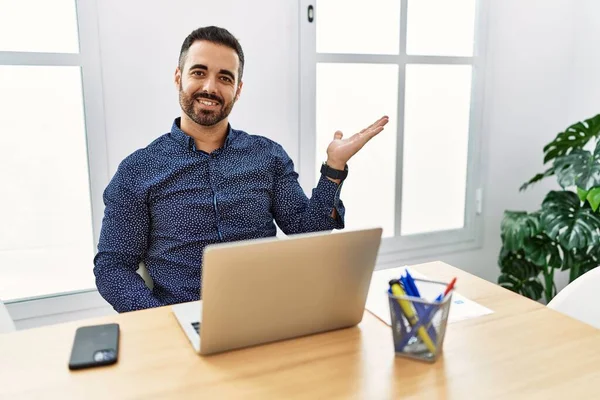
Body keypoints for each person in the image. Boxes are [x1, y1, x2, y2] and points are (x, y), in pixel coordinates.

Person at [93, 26, 388, 313]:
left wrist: (334, 167)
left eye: (224, 77)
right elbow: (113, 267)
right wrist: (164, 323)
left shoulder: (267, 156)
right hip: (183, 319)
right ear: (178, 77)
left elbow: (308, 231)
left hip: (268, 313)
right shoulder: (138, 170)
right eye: (199, 72)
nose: (210, 87)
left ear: (238, 89)